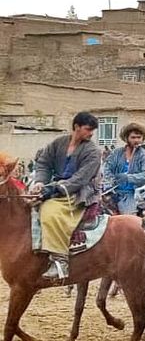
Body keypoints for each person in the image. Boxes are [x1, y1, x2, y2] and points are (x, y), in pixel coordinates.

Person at [30, 112, 102, 279]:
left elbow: (81, 179)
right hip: (54, 186)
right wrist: (40, 182)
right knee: (28, 204)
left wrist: (54, 189)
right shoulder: (58, 143)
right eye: (88, 129)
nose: (91, 133)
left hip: (80, 192)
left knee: (50, 210)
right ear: (76, 127)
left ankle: (60, 261)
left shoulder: (93, 151)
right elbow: (43, 164)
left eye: (93, 130)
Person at [103, 123, 145, 215]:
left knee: (128, 218)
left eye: (139, 137)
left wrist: (128, 177)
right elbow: (107, 167)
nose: (136, 140)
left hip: (132, 194)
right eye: (133, 137)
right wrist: (110, 182)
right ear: (127, 138)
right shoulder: (117, 153)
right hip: (113, 190)